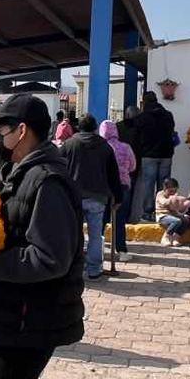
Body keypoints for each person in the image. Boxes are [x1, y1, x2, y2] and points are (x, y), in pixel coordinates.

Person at [0, 95, 84, 379]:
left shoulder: (48, 181)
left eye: (2, 130)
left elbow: (48, 258)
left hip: (26, 322)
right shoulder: (16, 172)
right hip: (4, 315)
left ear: (21, 131)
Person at [60, 114, 122, 280]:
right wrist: (118, 197)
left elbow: (58, 167)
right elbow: (113, 175)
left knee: (74, 233)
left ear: (78, 127)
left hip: (73, 196)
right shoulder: (105, 147)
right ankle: (94, 269)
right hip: (98, 196)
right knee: (95, 235)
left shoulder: (69, 144)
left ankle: (74, 268)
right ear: (95, 128)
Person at [98, 120, 137, 263]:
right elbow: (133, 166)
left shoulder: (101, 148)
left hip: (104, 187)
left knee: (101, 219)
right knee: (119, 219)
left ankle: (98, 250)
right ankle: (121, 251)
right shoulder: (126, 147)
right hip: (123, 186)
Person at [134, 92, 176, 221]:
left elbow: (137, 135)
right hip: (166, 154)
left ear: (144, 101)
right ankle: (161, 211)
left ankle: (147, 213)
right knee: (164, 185)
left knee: (148, 184)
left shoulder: (142, 117)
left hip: (149, 155)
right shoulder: (168, 115)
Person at [156, 178, 190, 246]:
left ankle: (175, 238)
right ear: (165, 188)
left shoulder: (175, 196)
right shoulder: (160, 194)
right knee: (176, 221)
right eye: (170, 191)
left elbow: (179, 209)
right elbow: (164, 202)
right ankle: (166, 237)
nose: (173, 193)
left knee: (186, 220)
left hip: (173, 215)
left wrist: (185, 203)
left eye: (175, 191)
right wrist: (172, 199)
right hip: (162, 216)